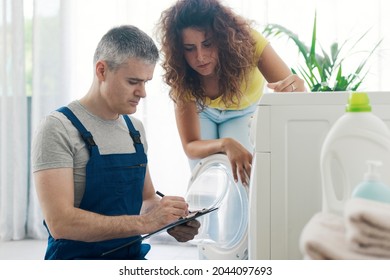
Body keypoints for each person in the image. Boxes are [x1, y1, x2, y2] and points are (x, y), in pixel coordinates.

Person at [31, 25, 200, 260]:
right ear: (102, 70)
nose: (142, 93)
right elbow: (60, 222)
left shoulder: (135, 129)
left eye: (146, 82)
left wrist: (170, 220)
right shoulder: (58, 128)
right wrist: (144, 223)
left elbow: (147, 198)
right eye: (133, 82)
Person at [156, 0, 306, 186]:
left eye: (207, 43)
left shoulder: (250, 42)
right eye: (189, 48)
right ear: (179, 50)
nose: (200, 57)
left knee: (243, 179)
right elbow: (190, 145)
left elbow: (294, 93)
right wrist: (224, 143)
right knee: (204, 182)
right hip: (202, 111)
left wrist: (297, 90)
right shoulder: (180, 72)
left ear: (223, 37)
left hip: (243, 113)